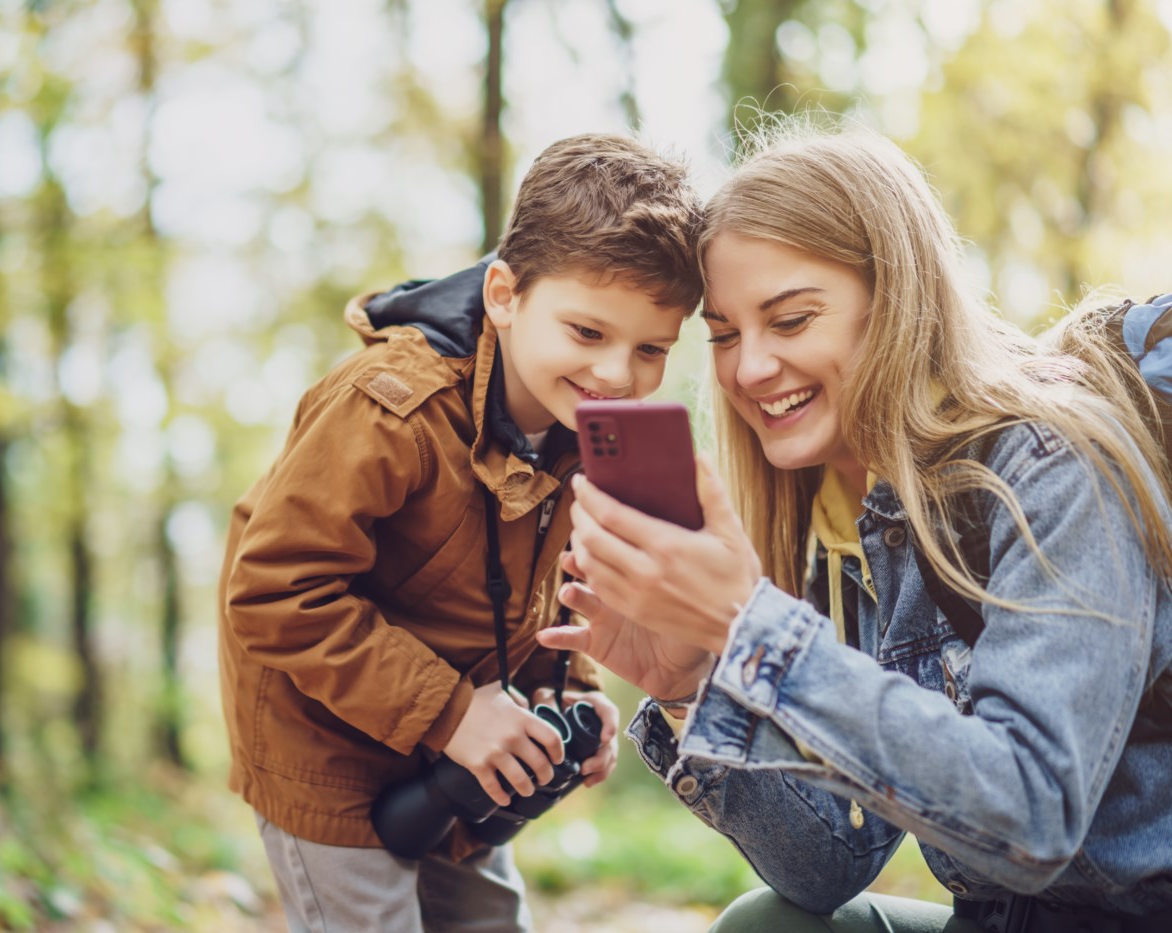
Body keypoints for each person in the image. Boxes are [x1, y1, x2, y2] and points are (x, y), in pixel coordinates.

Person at [538, 119, 1172, 933]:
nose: (750, 368)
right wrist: (693, 678)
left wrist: (755, 631)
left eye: (792, 320)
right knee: (765, 924)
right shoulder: (842, 518)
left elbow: (1032, 815)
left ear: (899, 301)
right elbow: (826, 865)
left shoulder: (1052, 466)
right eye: (725, 334)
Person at [218, 133, 707, 932]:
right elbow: (275, 591)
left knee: (488, 918)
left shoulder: (586, 422)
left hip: (463, 743)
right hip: (325, 740)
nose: (618, 375)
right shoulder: (387, 408)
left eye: (651, 348)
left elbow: (552, 572)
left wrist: (569, 685)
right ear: (505, 295)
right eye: (588, 333)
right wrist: (451, 712)